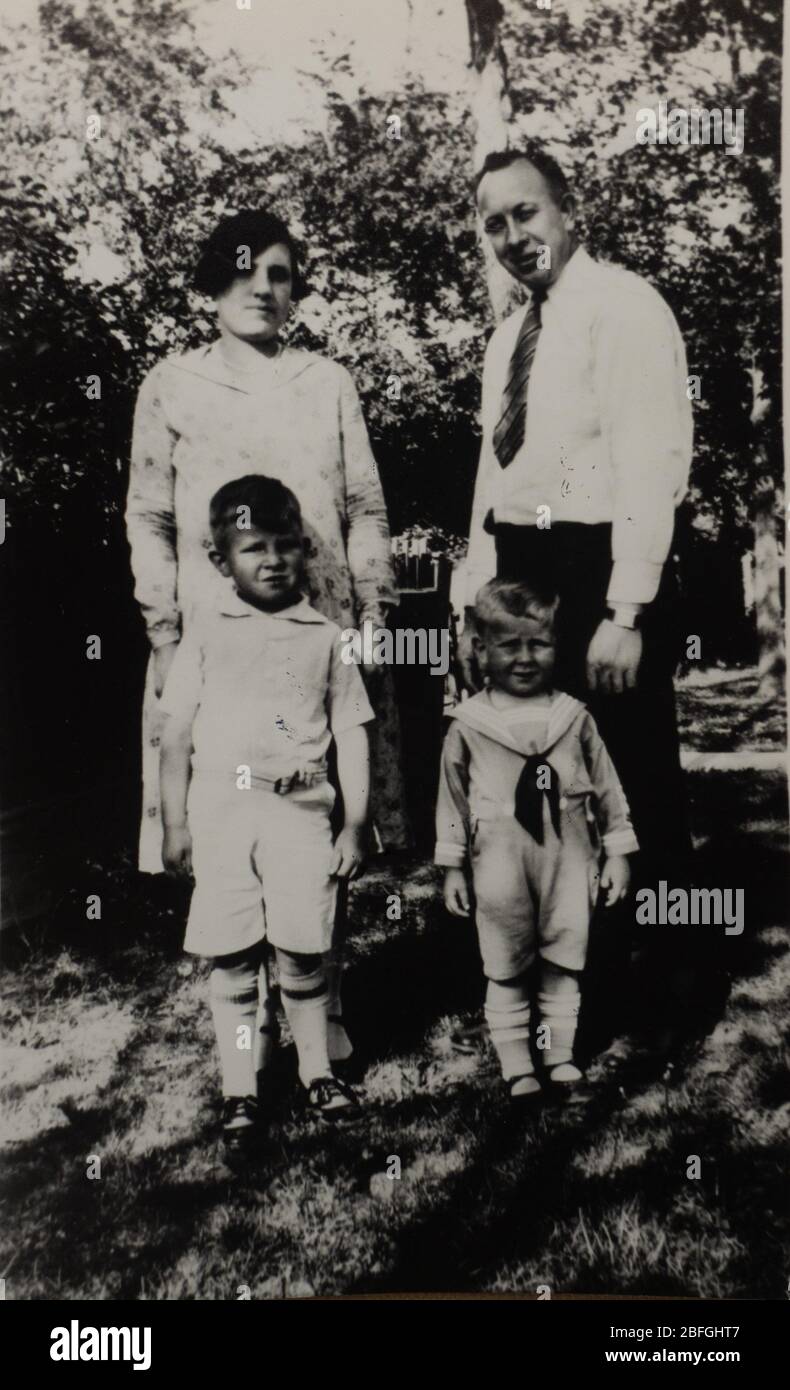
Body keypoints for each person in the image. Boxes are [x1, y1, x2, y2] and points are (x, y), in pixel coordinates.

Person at [455, 144, 694, 1049]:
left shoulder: (624, 309)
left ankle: (670, 995)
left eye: (527, 213)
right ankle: (578, 980)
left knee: (633, 781)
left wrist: (626, 612)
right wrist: (475, 592)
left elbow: (650, 463)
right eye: (494, 223)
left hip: (601, 568)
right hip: (524, 572)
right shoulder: (509, 337)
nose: (513, 236)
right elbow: (495, 471)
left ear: (567, 212)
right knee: (543, 789)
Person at [127, 208, 407, 877]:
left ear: (294, 293)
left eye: (279, 276)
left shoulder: (326, 383)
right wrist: (164, 634)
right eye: (243, 271)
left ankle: (319, 977)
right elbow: (149, 519)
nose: (261, 288)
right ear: (213, 284)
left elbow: (365, 509)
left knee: (325, 825)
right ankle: (237, 973)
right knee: (225, 818)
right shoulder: (171, 385)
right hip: (212, 639)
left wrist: (373, 619)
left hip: (324, 635)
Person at [159, 475, 373, 1153]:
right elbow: (175, 732)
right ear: (222, 560)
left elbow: (354, 730)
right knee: (232, 956)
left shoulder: (326, 636)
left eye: (287, 545)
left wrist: (355, 821)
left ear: (305, 550)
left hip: (301, 809)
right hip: (224, 808)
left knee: (303, 951)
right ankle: (241, 1084)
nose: (273, 559)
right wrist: (173, 823)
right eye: (254, 547)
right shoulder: (205, 631)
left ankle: (317, 1070)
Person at [436, 580, 638, 1100]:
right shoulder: (468, 726)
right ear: (481, 650)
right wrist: (453, 867)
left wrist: (617, 852)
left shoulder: (573, 718)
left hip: (568, 857)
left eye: (538, 644)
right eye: (509, 645)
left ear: (556, 645)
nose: (525, 658)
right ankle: (517, 1065)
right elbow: (453, 802)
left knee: (563, 959)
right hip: (500, 863)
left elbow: (609, 791)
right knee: (505, 965)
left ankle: (559, 1056)